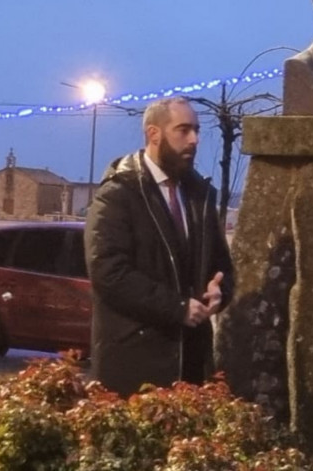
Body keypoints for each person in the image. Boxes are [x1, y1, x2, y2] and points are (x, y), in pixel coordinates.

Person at [85, 97, 234, 397]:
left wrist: (220, 290)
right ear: (154, 134)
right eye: (183, 130)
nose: (194, 139)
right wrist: (176, 308)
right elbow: (108, 272)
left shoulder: (199, 195)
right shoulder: (118, 193)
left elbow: (221, 265)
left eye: (196, 130)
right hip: (134, 368)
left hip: (191, 366)